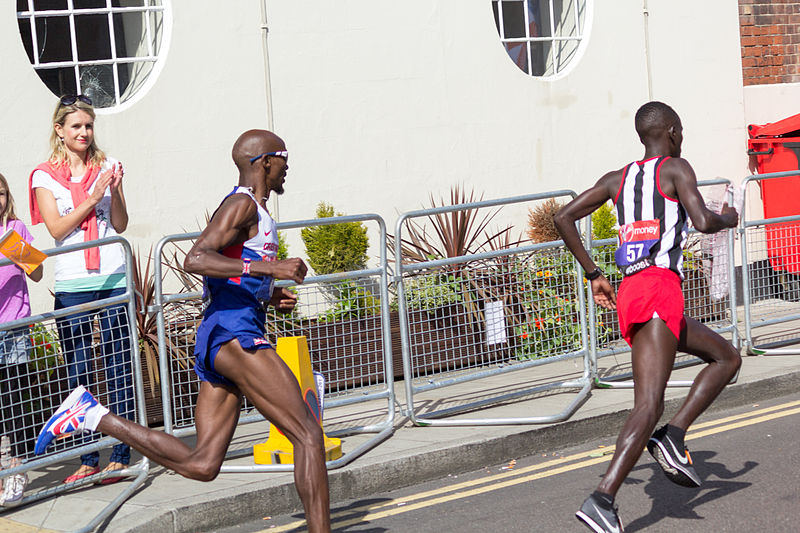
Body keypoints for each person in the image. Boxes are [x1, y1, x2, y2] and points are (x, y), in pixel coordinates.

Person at [35, 129, 332, 532]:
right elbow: (196, 258)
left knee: (203, 464)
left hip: (224, 330)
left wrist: (266, 291)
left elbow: (223, 271)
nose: (287, 166)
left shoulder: (254, 211)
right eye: (283, 157)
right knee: (308, 435)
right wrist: (266, 269)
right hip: (235, 334)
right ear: (264, 161)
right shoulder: (241, 205)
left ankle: (94, 415)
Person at [553, 101, 742, 532]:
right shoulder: (676, 168)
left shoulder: (618, 179)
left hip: (633, 291)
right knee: (648, 403)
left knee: (727, 357)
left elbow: (562, 217)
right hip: (659, 286)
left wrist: (594, 274)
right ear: (673, 131)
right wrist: (727, 218)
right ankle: (603, 497)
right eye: (682, 131)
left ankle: (672, 437)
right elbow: (700, 220)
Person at [28, 94, 134, 484]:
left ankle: (120, 453)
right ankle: (87, 456)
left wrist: (116, 190)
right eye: (76, 126)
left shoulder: (107, 165)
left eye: (88, 126)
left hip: (112, 279)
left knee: (119, 365)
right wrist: (93, 196)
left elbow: (119, 224)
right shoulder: (43, 175)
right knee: (79, 372)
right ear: (60, 130)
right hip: (73, 283)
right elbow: (56, 229)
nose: (84, 133)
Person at [0, 171, 43, 506]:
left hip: (13, 328)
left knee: (15, 401)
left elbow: (38, 272)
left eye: (1, 193)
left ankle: (17, 468)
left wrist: (18, 252)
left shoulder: (14, 230)